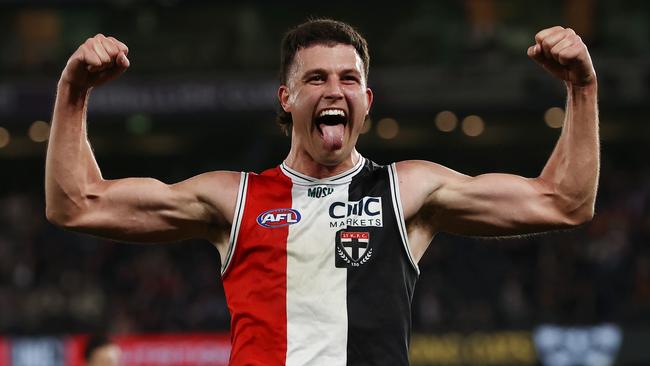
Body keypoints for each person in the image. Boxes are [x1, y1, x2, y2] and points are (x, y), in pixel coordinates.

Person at [45, 19, 599, 365]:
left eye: (348, 79)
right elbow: (76, 203)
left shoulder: (408, 191)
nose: (334, 89)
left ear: (368, 100)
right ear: (286, 98)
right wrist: (72, 93)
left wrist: (582, 87)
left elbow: (564, 201)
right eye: (316, 79)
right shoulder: (232, 198)